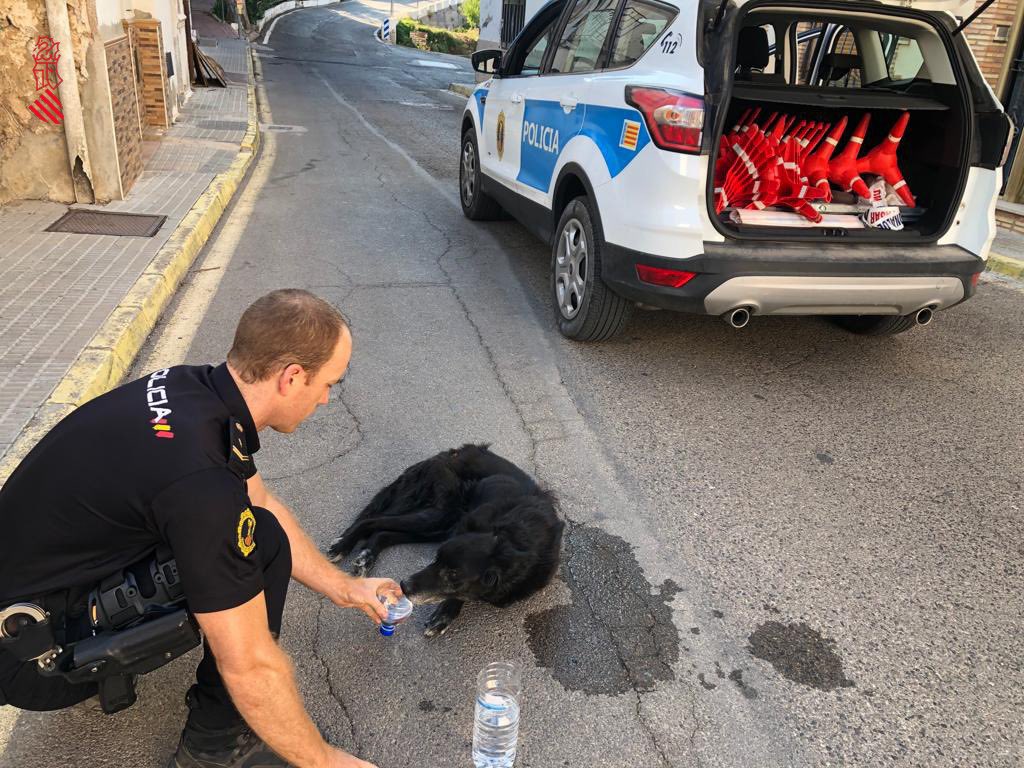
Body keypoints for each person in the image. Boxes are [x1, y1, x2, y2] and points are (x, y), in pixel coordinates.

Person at [0, 289, 397, 768]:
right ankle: (213, 751)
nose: (328, 398)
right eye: (329, 383)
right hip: (28, 652)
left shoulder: (190, 389)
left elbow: (260, 500)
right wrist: (324, 761)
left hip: (28, 593)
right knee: (245, 548)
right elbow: (249, 663)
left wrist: (345, 588)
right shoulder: (201, 486)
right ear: (292, 377)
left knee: (259, 531)